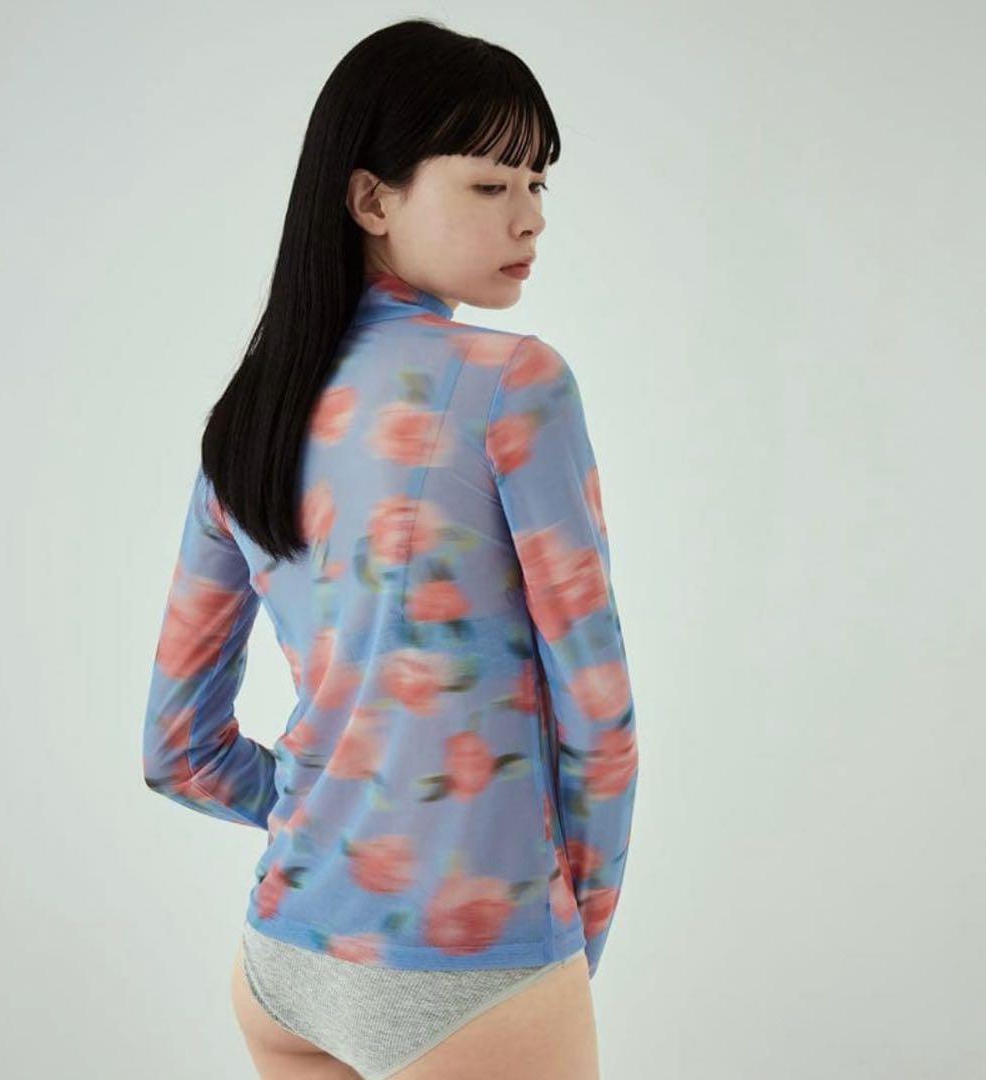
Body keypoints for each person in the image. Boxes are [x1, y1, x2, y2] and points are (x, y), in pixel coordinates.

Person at [142, 17, 639, 1079]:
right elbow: (599, 718)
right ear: (372, 199)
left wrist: (329, 806)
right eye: (489, 184)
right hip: (474, 966)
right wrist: (569, 946)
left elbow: (176, 752)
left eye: (538, 182)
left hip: (284, 960)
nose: (531, 216)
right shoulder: (516, 384)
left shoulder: (249, 420)